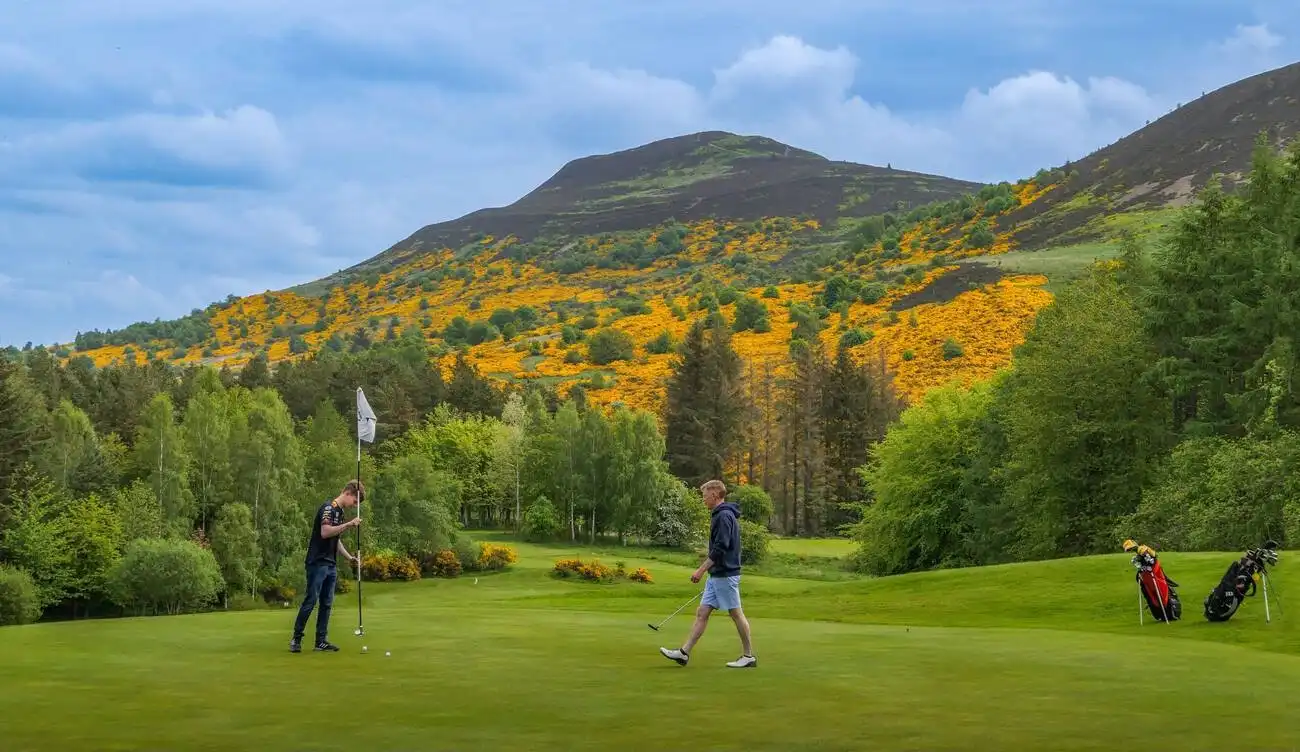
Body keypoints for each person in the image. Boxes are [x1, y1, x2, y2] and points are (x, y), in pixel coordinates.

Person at [659, 479, 756, 668]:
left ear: (714, 494)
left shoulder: (723, 516)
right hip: (717, 574)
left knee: (736, 613)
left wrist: (701, 570)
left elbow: (720, 548)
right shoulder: (720, 515)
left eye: (704, 496)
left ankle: (748, 656)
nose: (703, 500)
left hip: (725, 573)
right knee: (702, 612)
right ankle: (684, 653)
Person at [290, 480, 363, 653]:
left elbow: (335, 540)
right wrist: (348, 525)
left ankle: (320, 641)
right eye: (355, 501)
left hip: (330, 564)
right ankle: (296, 639)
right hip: (317, 562)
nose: (354, 506)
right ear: (348, 493)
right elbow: (325, 532)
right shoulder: (328, 509)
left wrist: (349, 557)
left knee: (327, 603)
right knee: (311, 600)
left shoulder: (340, 513)